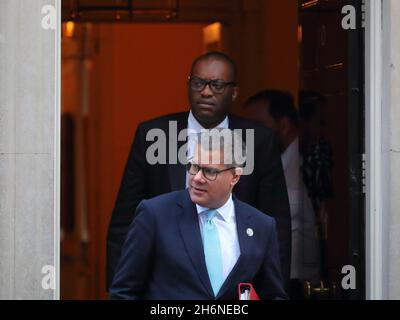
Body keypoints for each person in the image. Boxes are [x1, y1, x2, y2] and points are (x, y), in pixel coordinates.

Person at [107, 51, 291, 289]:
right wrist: (119, 289)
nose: (206, 91)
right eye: (198, 83)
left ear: (234, 92)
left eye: (216, 85)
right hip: (166, 285)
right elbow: (125, 220)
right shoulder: (153, 135)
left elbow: (277, 221)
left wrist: (277, 290)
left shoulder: (259, 140)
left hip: (235, 286)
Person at [109, 130, 287, 300]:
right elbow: (124, 291)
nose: (197, 178)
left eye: (210, 171)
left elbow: (273, 294)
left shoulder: (261, 225)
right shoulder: (155, 214)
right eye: (194, 166)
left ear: (234, 177)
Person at [244, 90, 320, 296]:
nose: (249, 134)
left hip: (306, 286)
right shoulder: (268, 166)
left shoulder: (304, 162)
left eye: (257, 125)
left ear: (284, 125)